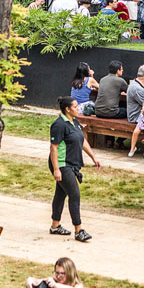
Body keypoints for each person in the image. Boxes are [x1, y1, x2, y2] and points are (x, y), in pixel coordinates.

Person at [49, 97, 101, 242]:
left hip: (72, 163)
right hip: (62, 164)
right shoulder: (59, 125)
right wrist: (56, 169)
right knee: (74, 194)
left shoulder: (74, 122)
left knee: (61, 193)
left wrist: (93, 157)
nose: (78, 109)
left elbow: (82, 140)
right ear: (67, 109)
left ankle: (55, 226)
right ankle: (79, 230)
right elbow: (53, 147)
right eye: (76, 106)